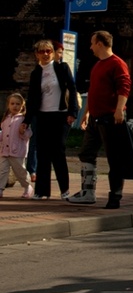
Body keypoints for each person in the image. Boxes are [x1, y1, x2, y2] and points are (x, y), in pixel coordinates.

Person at [68, 30, 133, 209]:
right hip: (95, 118)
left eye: (92, 43)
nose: (90, 47)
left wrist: (119, 110)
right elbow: (93, 92)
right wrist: (86, 113)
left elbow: (124, 88)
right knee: (86, 153)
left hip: (111, 117)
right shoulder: (97, 65)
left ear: (100, 43)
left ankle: (115, 196)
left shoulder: (117, 64)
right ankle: (87, 192)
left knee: (115, 158)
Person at [23, 40, 79, 200]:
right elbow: (32, 98)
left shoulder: (62, 68)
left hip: (60, 115)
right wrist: (26, 120)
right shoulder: (36, 73)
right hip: (42, 115)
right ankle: (42, 191)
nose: (45, 54)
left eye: (48, 51)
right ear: (37, 55)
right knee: (43, 152)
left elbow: (72, 88)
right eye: (41, 52)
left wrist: (73, 112)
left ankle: (65, 190)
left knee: (58, 151)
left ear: (53, 53)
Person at [0, 93, 34, 199]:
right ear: (8, 105)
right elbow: (3, 132)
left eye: (18, 104)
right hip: (4, 150)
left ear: (22, 106)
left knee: (20, 172)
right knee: (2, 170)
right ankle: (0, 189)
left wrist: (23, 131)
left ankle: (27, 186)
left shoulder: (23, 120)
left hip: (17, 151)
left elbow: (29, 134)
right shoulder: (6, 118)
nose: (15, 106)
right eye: (12, 103)